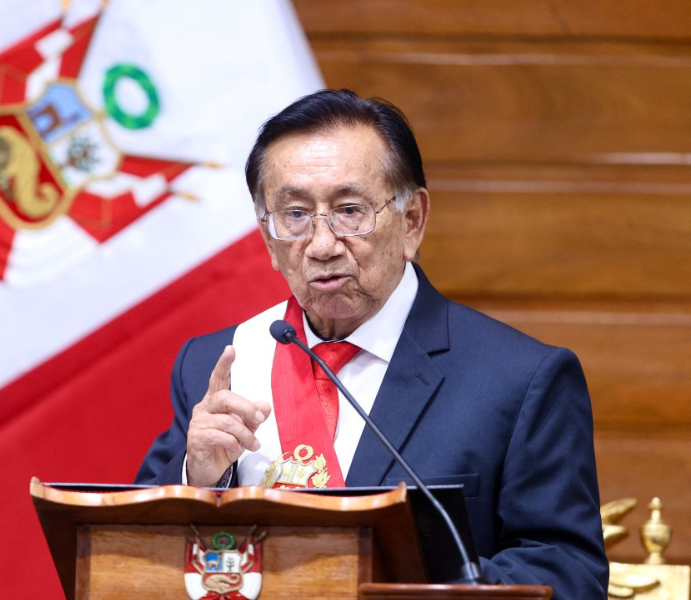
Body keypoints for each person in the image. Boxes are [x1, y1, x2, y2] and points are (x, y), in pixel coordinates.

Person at [134, 89, 608, 596]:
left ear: (412, 221)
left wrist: (417, 581)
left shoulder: (519, 380)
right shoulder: (217, 364)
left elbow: (570, 574)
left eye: (350, 210)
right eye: (294, 214)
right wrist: (197, 478)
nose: (320, 245)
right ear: (268, 238)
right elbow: (128, 557)